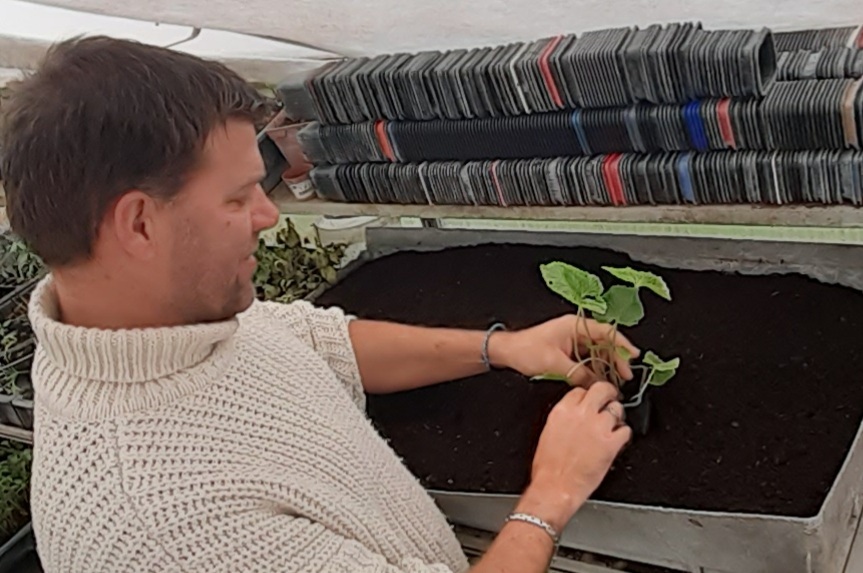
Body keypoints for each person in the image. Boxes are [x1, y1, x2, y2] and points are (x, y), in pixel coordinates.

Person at [0, 36, 637, 573]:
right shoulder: (164, 533)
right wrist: (551, 493)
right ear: (139, 224)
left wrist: (503, 347)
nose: (268, 215)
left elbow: (317, 343)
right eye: (237, 198)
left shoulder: (161, 320)